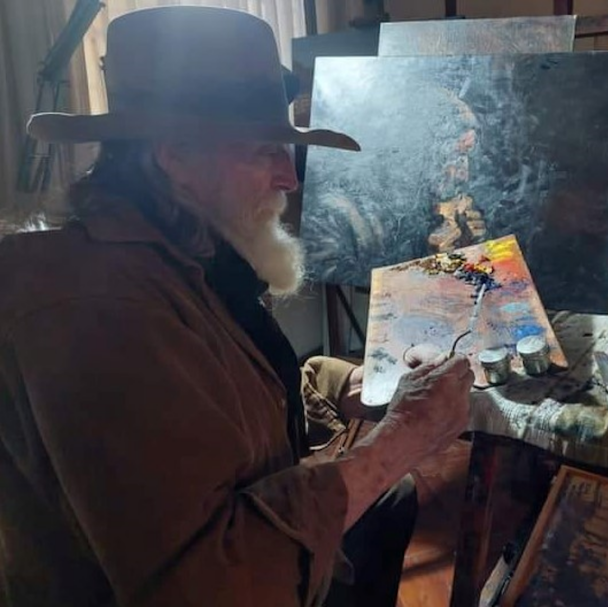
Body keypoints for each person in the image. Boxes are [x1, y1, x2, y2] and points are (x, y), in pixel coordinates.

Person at [0, 7, 474, 607]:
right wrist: (400, 439)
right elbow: (210, 583)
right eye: (265, 151)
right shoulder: (98, 311)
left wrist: (353, 384)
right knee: (388, 488)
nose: (289, 178)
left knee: (392, 500)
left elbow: (218, 397)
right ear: (175, 155)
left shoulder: (183, 249)